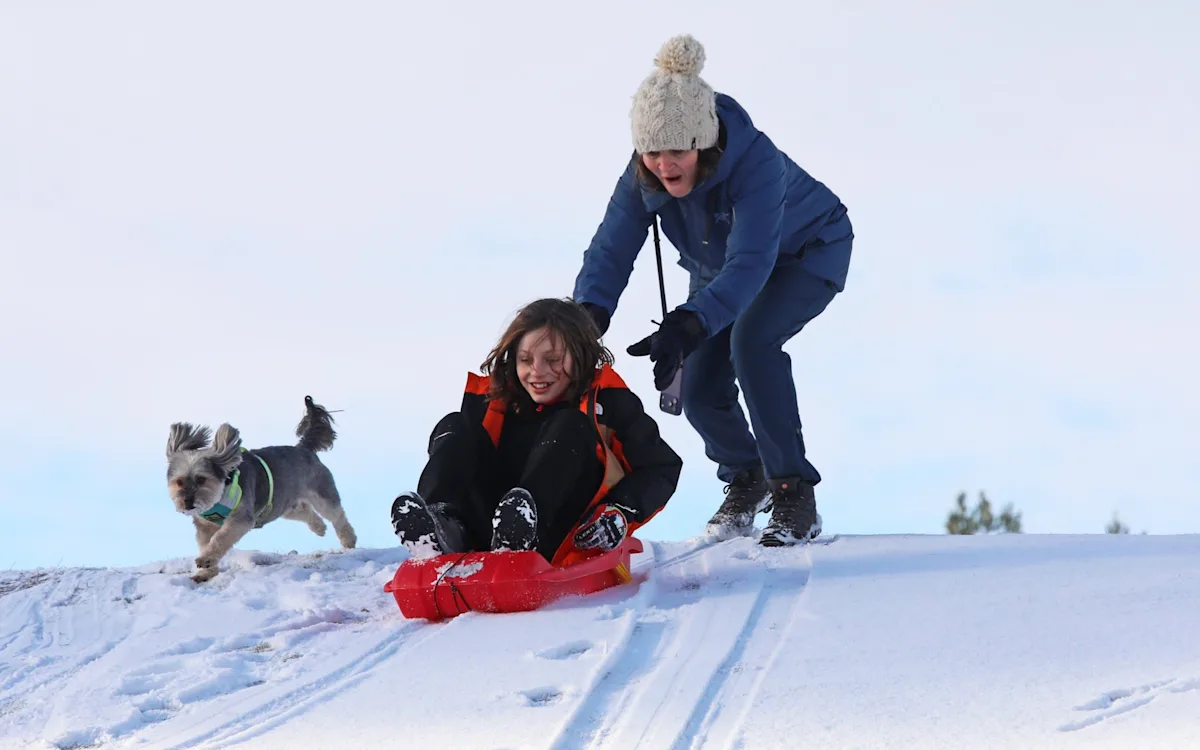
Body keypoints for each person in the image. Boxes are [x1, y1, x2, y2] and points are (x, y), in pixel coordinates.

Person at [572, 34, 854, 547]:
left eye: (676, 150)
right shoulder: (643, 174)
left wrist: (691, 321)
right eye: (651, 151)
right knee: (698, 386)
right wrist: (585, 321)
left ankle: (792, 494)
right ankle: (747, 478)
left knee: (753, 343)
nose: (664, 164)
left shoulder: (756, 163)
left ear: (703, 142)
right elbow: (610, 249)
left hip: (805, 252)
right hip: (720, 265)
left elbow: (752, 262)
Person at [390, 297, 683, 567]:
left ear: (579, 356)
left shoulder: (609, 403)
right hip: (485, 531)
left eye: (552, 360)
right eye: (526, 360)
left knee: (569, 425)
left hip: (557, 534)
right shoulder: (493, 402)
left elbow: (661, 467)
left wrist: (621, 511)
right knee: (454, 426)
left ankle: (521, 528)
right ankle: (442, 528)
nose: (537, 371)